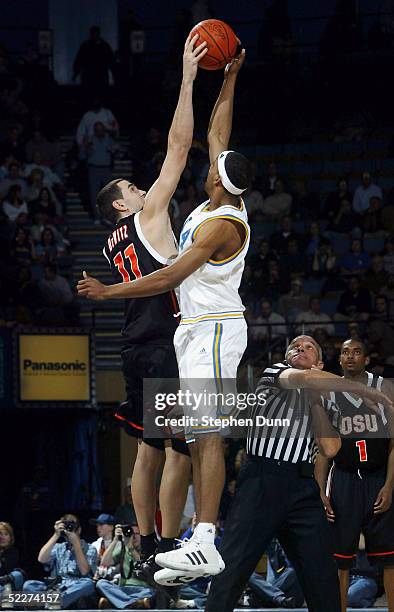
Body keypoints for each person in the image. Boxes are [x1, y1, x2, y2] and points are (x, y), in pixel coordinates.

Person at [78, 49, 250, 585]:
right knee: (177, 448)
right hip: (170, 333)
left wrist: (217, 79)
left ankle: (163, 542)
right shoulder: (159, 214)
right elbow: (195, 142)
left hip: (160, 335)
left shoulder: (118, 240)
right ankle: (168, 541)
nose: (144, 187)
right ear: (126, 206)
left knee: (160, 449)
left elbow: (207, 142)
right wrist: (206, 80)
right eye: (134, 188)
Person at [203, 334, 393, 612]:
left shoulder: (325, 398)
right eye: (295, 346)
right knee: (233, 567)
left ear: (319, 363)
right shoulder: (275, 372)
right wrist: (370, 392)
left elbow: (330, 448)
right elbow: (302, 379)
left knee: (323, 575)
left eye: (308, 348)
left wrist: (316, 400)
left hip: (303, 487)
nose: (300, 349)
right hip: (263, 479)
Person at [315, 338, 394, 612]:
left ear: (367, 359)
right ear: (339, 360)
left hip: (377, 476)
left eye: (356, 352)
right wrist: (321, 491)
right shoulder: (329, 392)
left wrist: (389, 485)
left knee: (389, 556)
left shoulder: (383, 387)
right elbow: (324, 449)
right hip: (344, 478)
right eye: (345, 352)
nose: (350, 356)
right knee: (341, 558)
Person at [23, 514, 97, 609]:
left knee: (88, 584)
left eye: (71, 526)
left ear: (79, 530)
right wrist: (56, 535)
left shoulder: (90, 548)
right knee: (29, 585)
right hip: (57, 587)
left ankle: (52, 602)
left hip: (75, 587)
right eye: (65, 525)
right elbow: (41, 559)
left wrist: (76, 544)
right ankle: (54, 602)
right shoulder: (59, 547)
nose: (68, 529)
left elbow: (84, 571)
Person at [96, 524, 154, 609]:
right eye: (131, 533)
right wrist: (115, 539)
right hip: (123, 589)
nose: (133, 537)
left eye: (137, 534)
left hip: (142, 589)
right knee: (101, 584)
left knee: (152, 592)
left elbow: (144, 566)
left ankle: (117, 602)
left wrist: (131, 548)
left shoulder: (147, 549)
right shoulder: (123, 548)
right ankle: (134, 603)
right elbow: (105, 563)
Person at [73, 26, 115, 94]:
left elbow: (111, 60)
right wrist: (76, 72)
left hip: (96, 74)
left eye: (96, 34)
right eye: (94, 34)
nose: (95, 36)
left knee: (96, 93)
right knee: (94, 93)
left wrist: (76, 72)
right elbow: (79, 59)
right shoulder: (102, 45)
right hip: (93, 74)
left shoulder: (89, 45)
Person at [0, 522, 24, 593]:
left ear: (11, 537)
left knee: (17, 574)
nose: (2, 537)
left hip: (11, 585)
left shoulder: (14, 552)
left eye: (6, 534)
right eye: (0, 534)